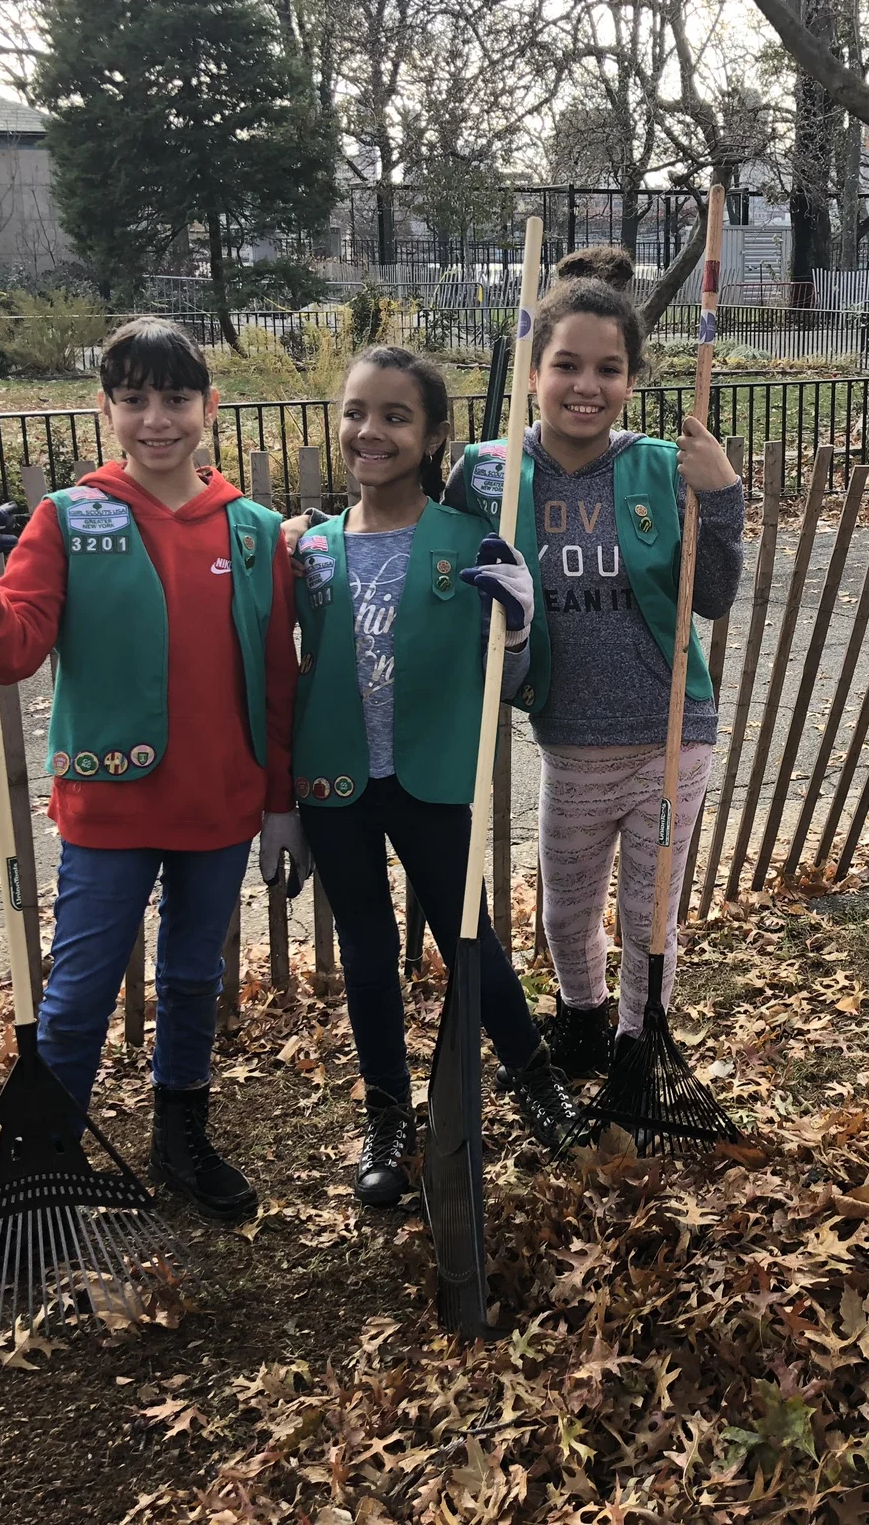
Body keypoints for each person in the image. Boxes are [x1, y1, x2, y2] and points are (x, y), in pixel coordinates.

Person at [0, 316, 301, 1225]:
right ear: (106, 409)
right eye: (133, 400)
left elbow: (279, 677)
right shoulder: (70, 516)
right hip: (110, 804)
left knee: (190, 979)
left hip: (221, 805)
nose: (156, 419)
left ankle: (179, 1135)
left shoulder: (254, 532)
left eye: (176, 398)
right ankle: (43, 1161)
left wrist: (283, 803)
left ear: (209, 407)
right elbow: (11, 650)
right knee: (82, 986)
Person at [290, 344, 582, 1207]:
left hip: (429, 779)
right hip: (336, 784)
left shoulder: (469, 543)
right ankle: (388, 1117)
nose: (370, 431)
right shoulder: (308, 551)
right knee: (370, 952)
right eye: (355, 412)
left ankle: (535, 1084)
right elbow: (282, 674)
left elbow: (524, 684)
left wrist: (520, 626)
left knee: (469, 944)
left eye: (394, 416)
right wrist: (278, 807)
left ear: (433, 435)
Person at [443, 247, 745, 1079]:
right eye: (566, 364)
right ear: (534, 371)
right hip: (569, 736)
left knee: (652, 918)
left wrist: (721, 495)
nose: (587, 385)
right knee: (567, 909)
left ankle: (639, 1043)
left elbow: (710, 595)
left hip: (666, 733)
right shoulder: (492, 473)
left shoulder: (656, 467)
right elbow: (437, 571)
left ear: (631, 381)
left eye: (609, 369)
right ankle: (580, 1016)